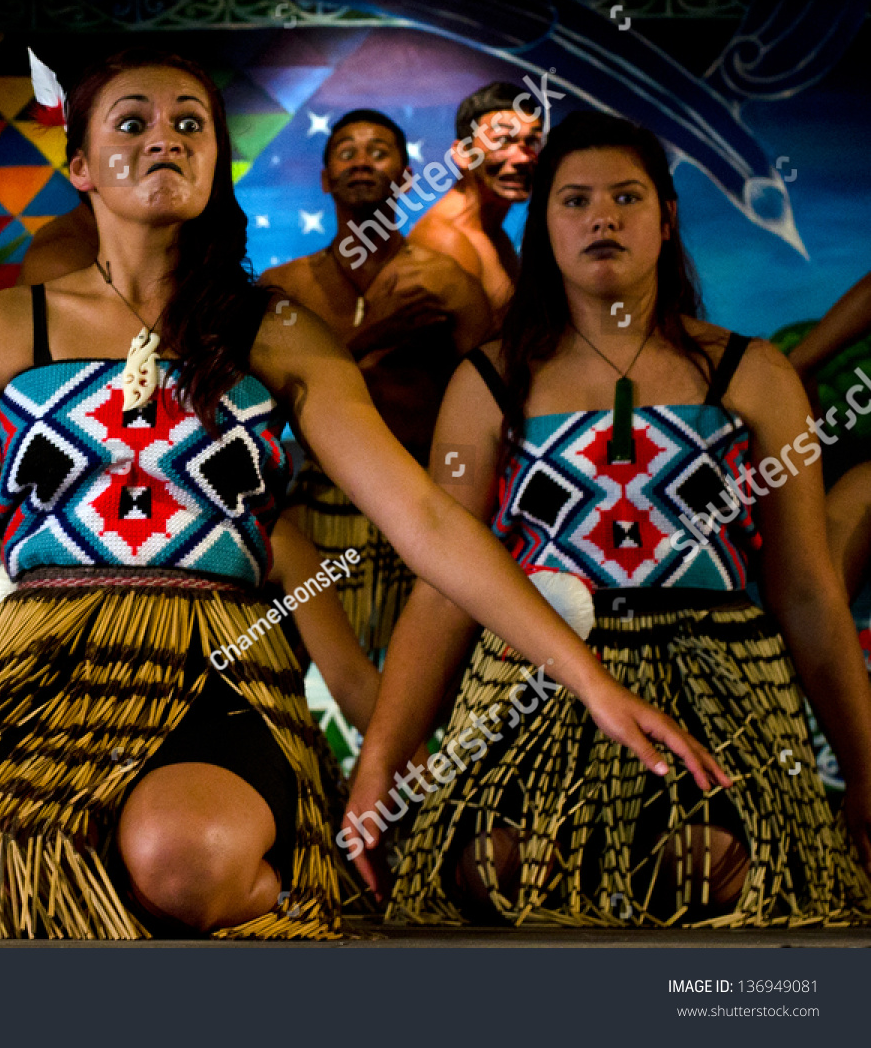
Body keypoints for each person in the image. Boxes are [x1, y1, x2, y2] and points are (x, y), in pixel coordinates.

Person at [0, 51, 726, 941]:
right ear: (81, 166)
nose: (164, 137)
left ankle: (268, 902)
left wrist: (587, 675)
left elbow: (424, 522)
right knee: (3, 877)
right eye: (132, 122)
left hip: (215, 669)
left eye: (190, 125)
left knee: (179, 858)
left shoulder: (279, 338)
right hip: (42, 678)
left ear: (216, 162)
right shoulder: (4, 332)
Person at [348, 111, 871, 927]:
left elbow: (806, 591)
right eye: (575, 201)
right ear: (546, 228)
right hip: (533, 687)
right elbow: (446, 588)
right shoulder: (488, 383)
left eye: (627, 198)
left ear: (666, 220)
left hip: (719, 686)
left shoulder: (754, 375)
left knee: (705, 872)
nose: (602, 218)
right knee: (497, 872)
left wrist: (865, 771)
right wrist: (379, 762)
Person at [261, 110, 492, 656]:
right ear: (325, 178)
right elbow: (257, 409)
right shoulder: (283, 288)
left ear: (406, 177)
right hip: (312, 505)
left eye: (379, 150)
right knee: (299, 670)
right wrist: (376, 335)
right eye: (345, 150)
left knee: (418, 673)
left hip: (416, 505)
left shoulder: (446, 283)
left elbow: (490, 407)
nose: (361, 160)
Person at [408, 81, 544, 317]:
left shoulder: (488, 231)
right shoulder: (446, 241)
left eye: (531, 142)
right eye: (502, 140)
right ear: (463, 154)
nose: (523, 158)